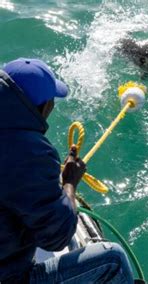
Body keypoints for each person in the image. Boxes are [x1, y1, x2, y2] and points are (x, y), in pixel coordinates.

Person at [0, 58, 134, 283]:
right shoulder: (30, 152)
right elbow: (56, 237)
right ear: (45, 106)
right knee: (113, 259)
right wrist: (69, 182)